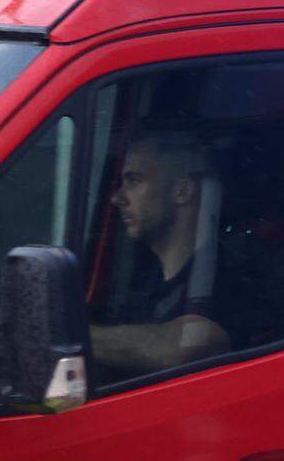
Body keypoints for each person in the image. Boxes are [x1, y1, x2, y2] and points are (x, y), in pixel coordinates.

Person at [87, 126, 240, 380]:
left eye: (135, 180)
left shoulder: (227, 279)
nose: (117, 198)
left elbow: (181, 349)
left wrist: (59, 335)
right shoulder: (145, 285)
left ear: (182, 191)